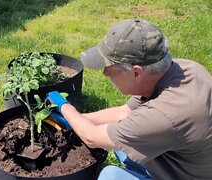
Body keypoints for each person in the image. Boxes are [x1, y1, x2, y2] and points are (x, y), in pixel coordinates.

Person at [46, 19, 212, 179]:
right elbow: (124, 112)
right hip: (186, 159)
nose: (105, 73)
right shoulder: (184, 68)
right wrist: (77, 120)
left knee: (110, 176)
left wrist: (63, 106)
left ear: (137, 73)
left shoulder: (163, 115)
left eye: (110, 68)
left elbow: (92, 137)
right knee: (121, 144)